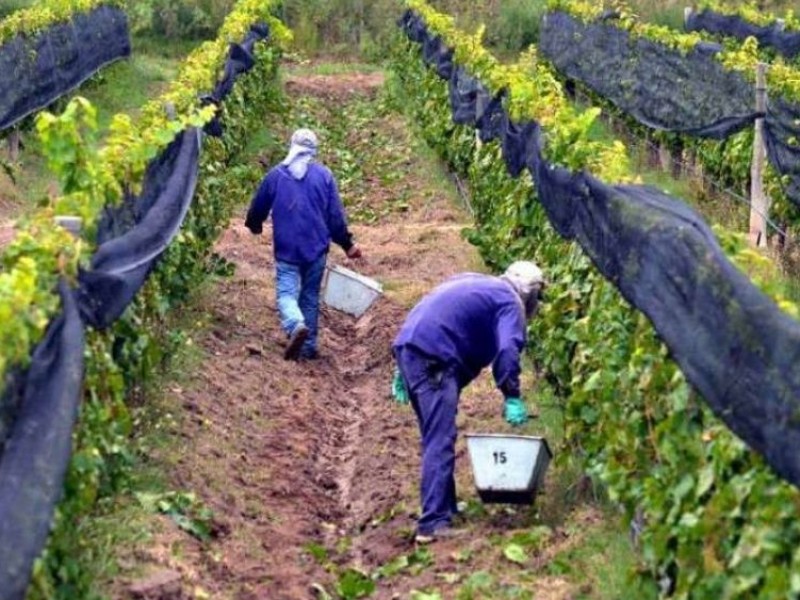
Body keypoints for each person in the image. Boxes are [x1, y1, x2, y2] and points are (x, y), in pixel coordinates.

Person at [391, 261, 546, 543]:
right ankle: (433, 523)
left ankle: (445, 507)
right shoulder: (510, 302)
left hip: (410, 347)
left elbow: (430, 308)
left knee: (434, 434)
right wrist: (512, 395)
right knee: (440, 438)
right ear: (529, 292)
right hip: (435, 359)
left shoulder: (476, 281)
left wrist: (402, 367)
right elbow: (508, 349)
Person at [245, 128, 362, 361]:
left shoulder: (276, 175)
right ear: (313, 152)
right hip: (316, 248)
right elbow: (334, 217)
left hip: (287, 248)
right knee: (309, 296)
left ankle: (294, 324)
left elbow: (258, 207)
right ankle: (307, 348)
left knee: (286, 293)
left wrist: (255, 225)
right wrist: (347, 245)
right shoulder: (324, 176)